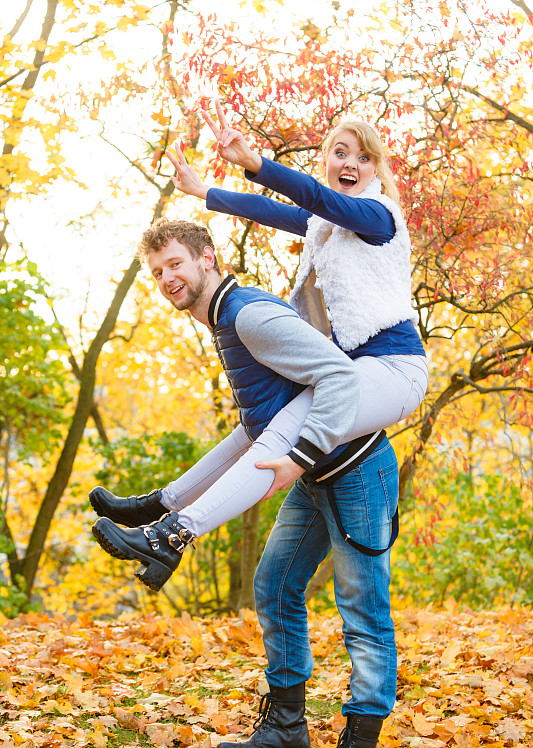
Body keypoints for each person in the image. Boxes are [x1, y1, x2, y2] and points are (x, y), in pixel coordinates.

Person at [92, 217, 401, 748]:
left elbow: (340, 375)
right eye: (157, 272)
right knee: (274, 585)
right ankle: (286, 729)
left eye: (176, 264)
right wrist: (167, 499)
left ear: (207, 257)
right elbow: (255, 428)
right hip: (315, 478)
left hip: (357, 470)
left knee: (363, 614)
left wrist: (303, 453)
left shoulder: (249, 315)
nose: (166, 279)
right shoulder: (224, 324)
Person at [90, 101, 427, 558]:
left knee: (286, 425)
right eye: (341, 153)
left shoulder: (378, 216)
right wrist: (202, 191)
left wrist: (255, 163)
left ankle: (173, 535)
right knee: (258, 426)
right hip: (359, 370)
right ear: (327, 159)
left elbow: (316, 198)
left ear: (374, 170)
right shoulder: (325, 227)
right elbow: (269, 211)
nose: (351, 164)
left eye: (364, 158)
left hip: (395, 369)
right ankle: (159, 507)